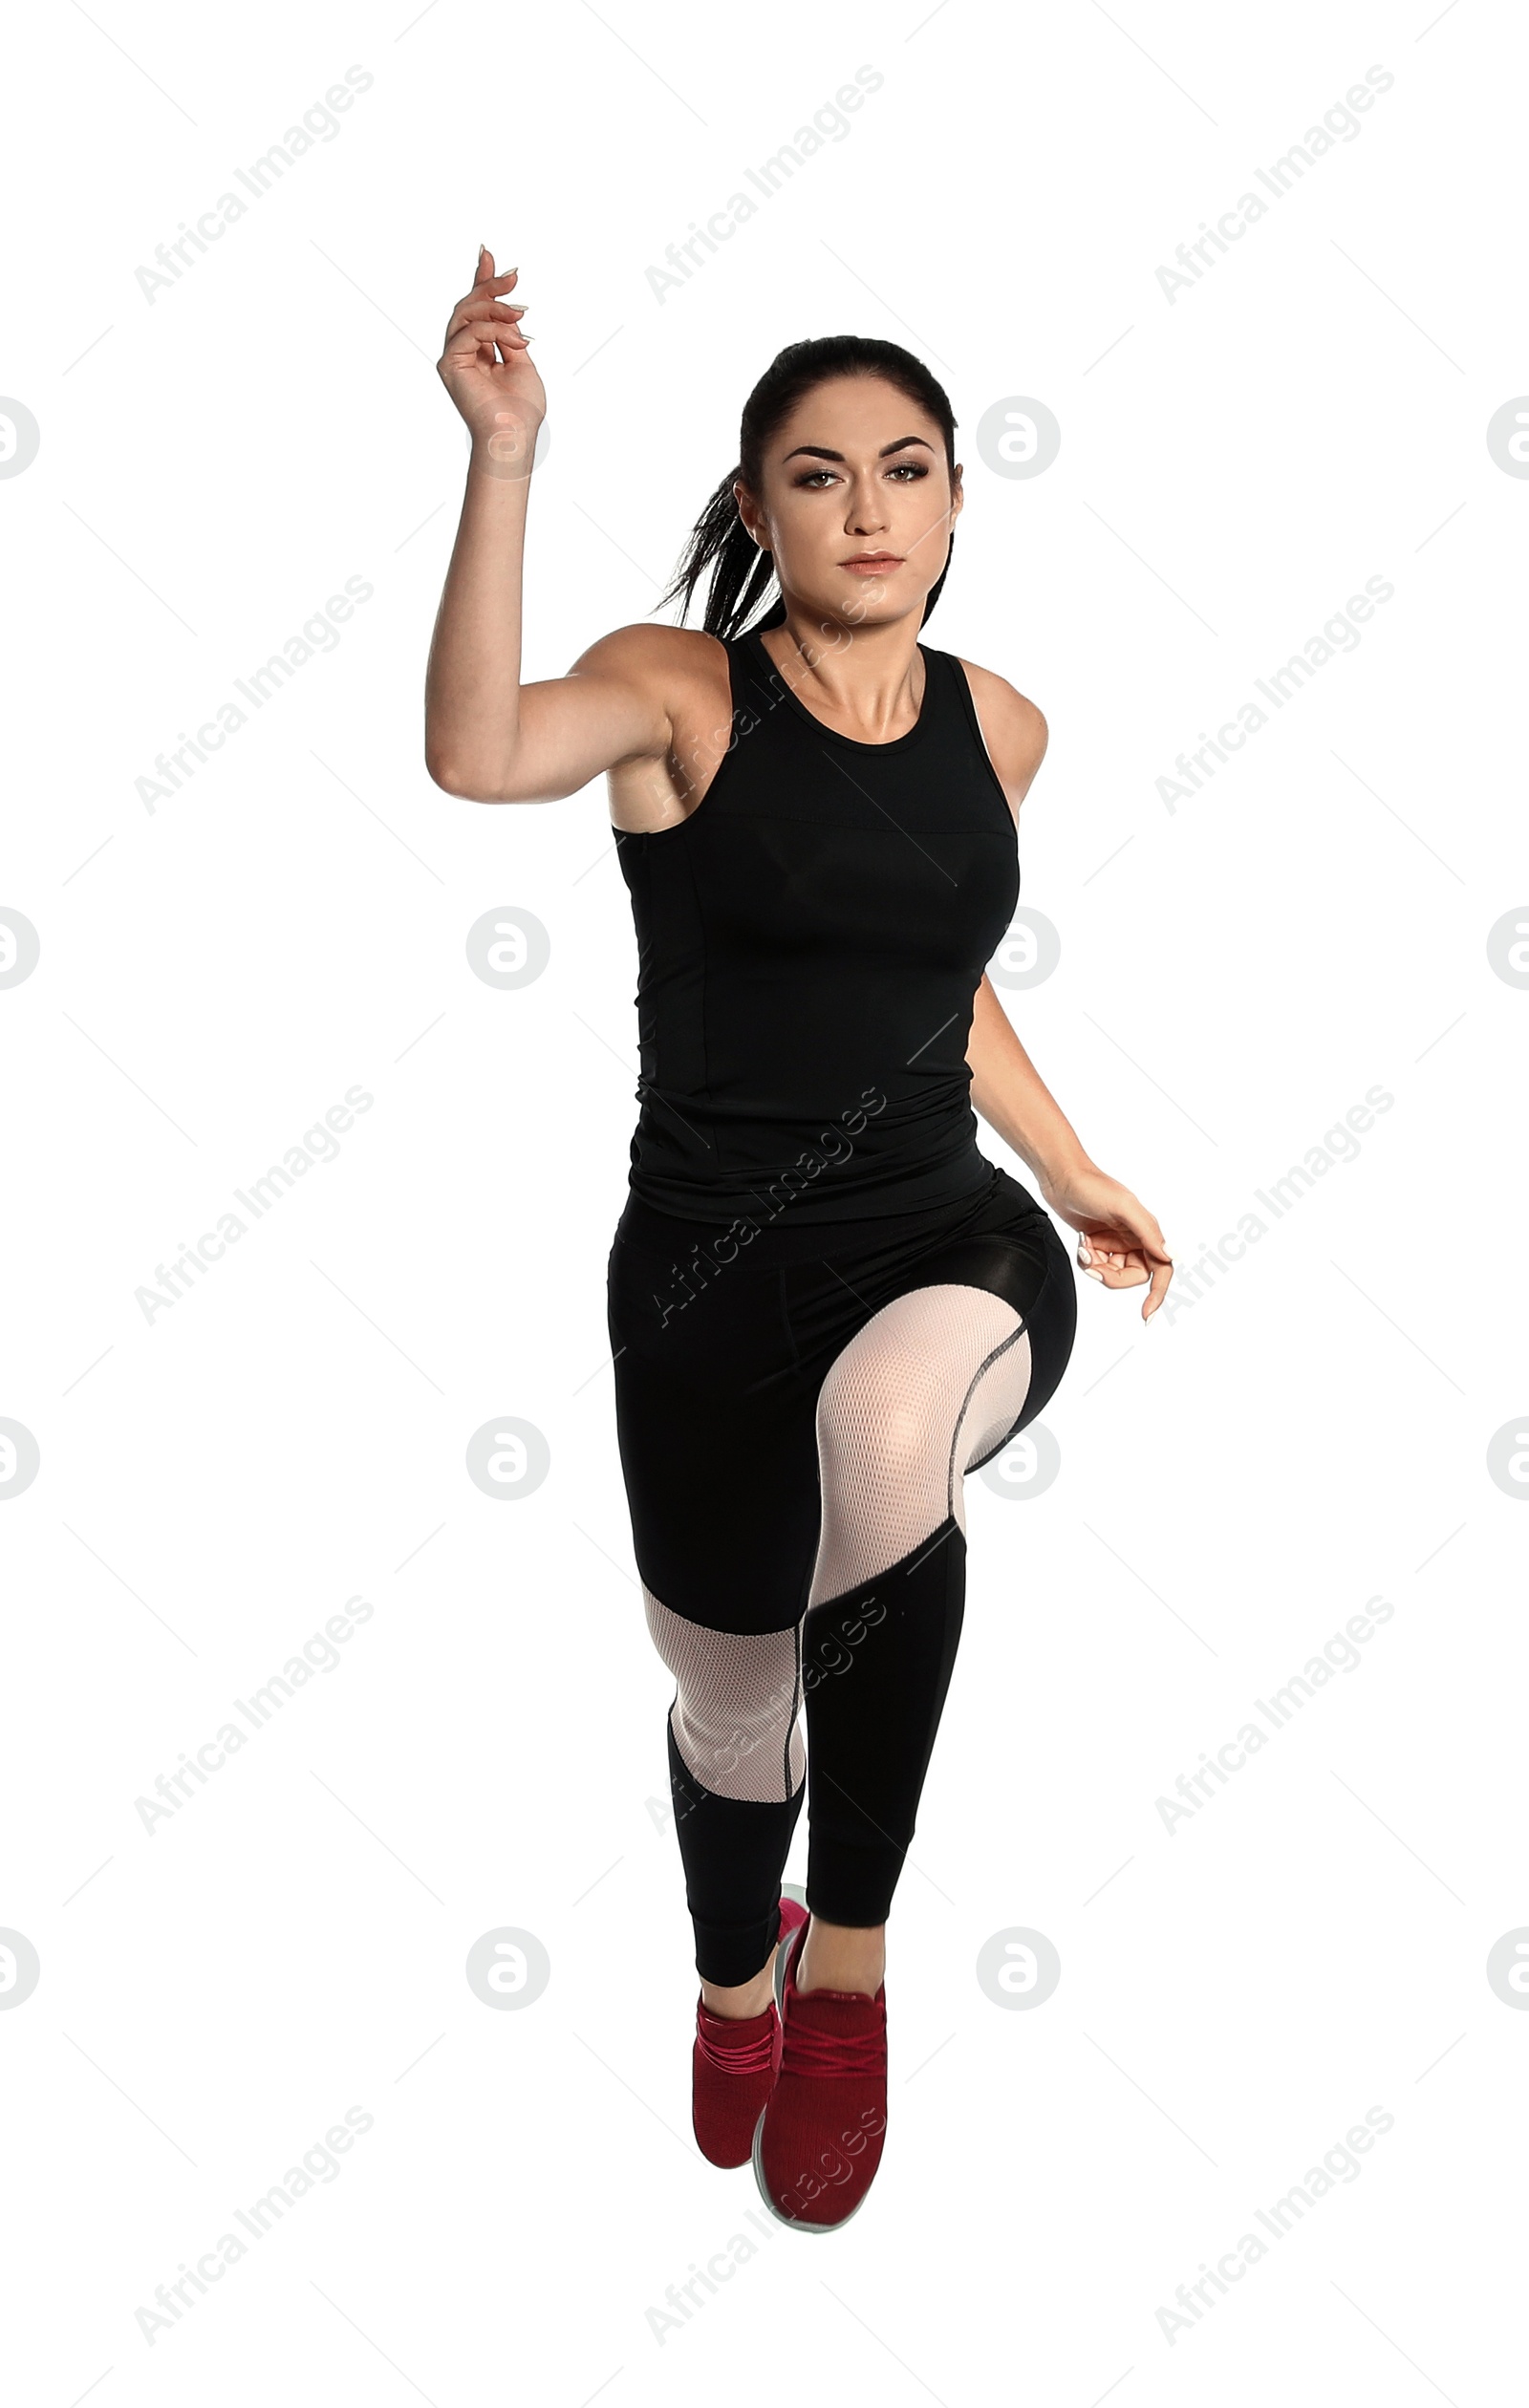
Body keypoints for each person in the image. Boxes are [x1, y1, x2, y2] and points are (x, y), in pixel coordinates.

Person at [425, 245, 1174, 2231]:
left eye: (905, 468)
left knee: (882, 1451)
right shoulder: (679, 693)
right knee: (730, 1697)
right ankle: (728, 1970)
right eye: (820, 474)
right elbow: (476, 750)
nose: (868, 508)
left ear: (951, 506)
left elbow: (939, 979)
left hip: (946, 1242)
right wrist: (506, 457)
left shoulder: (999, 725)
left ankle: (844, 1973)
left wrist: (1075, 1165)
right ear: (758, 510)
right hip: (697, 1287)